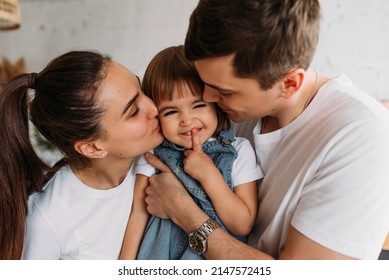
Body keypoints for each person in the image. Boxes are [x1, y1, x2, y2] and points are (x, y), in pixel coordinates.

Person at [143, 0, 389, 260]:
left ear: (290, 84)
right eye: (205, 83)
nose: (207, 98)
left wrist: (185, 212)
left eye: (224, 91)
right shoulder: (229, 111)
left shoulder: (360, 137)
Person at [0, 50, 164, 260]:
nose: (154, 107)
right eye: (133, 112)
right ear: (92, 148)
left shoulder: (160, 155)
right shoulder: (48, 220)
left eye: (141, 88)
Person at [119, 45, 262, 260]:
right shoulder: (152, 154)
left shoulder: (238, 151)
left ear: (215, 103)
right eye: (171, 111)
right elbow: (138, 214)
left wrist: (208, 174)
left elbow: (242, 224)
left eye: (198, 105)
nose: (186, 120)